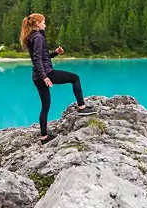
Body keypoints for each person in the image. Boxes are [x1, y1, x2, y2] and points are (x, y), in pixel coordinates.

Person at [20, 13, 97, 145]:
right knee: (75, 78)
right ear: (38, 24)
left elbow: (42, 57)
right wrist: (45, 77)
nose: (45, 24)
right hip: (46, 73)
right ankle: (82, 107)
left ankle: (44, 137)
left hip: (37, 76)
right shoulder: (38, 37)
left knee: (45, 107)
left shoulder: (32, 36)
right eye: (44, 22)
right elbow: (37, 59)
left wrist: (55, 52)